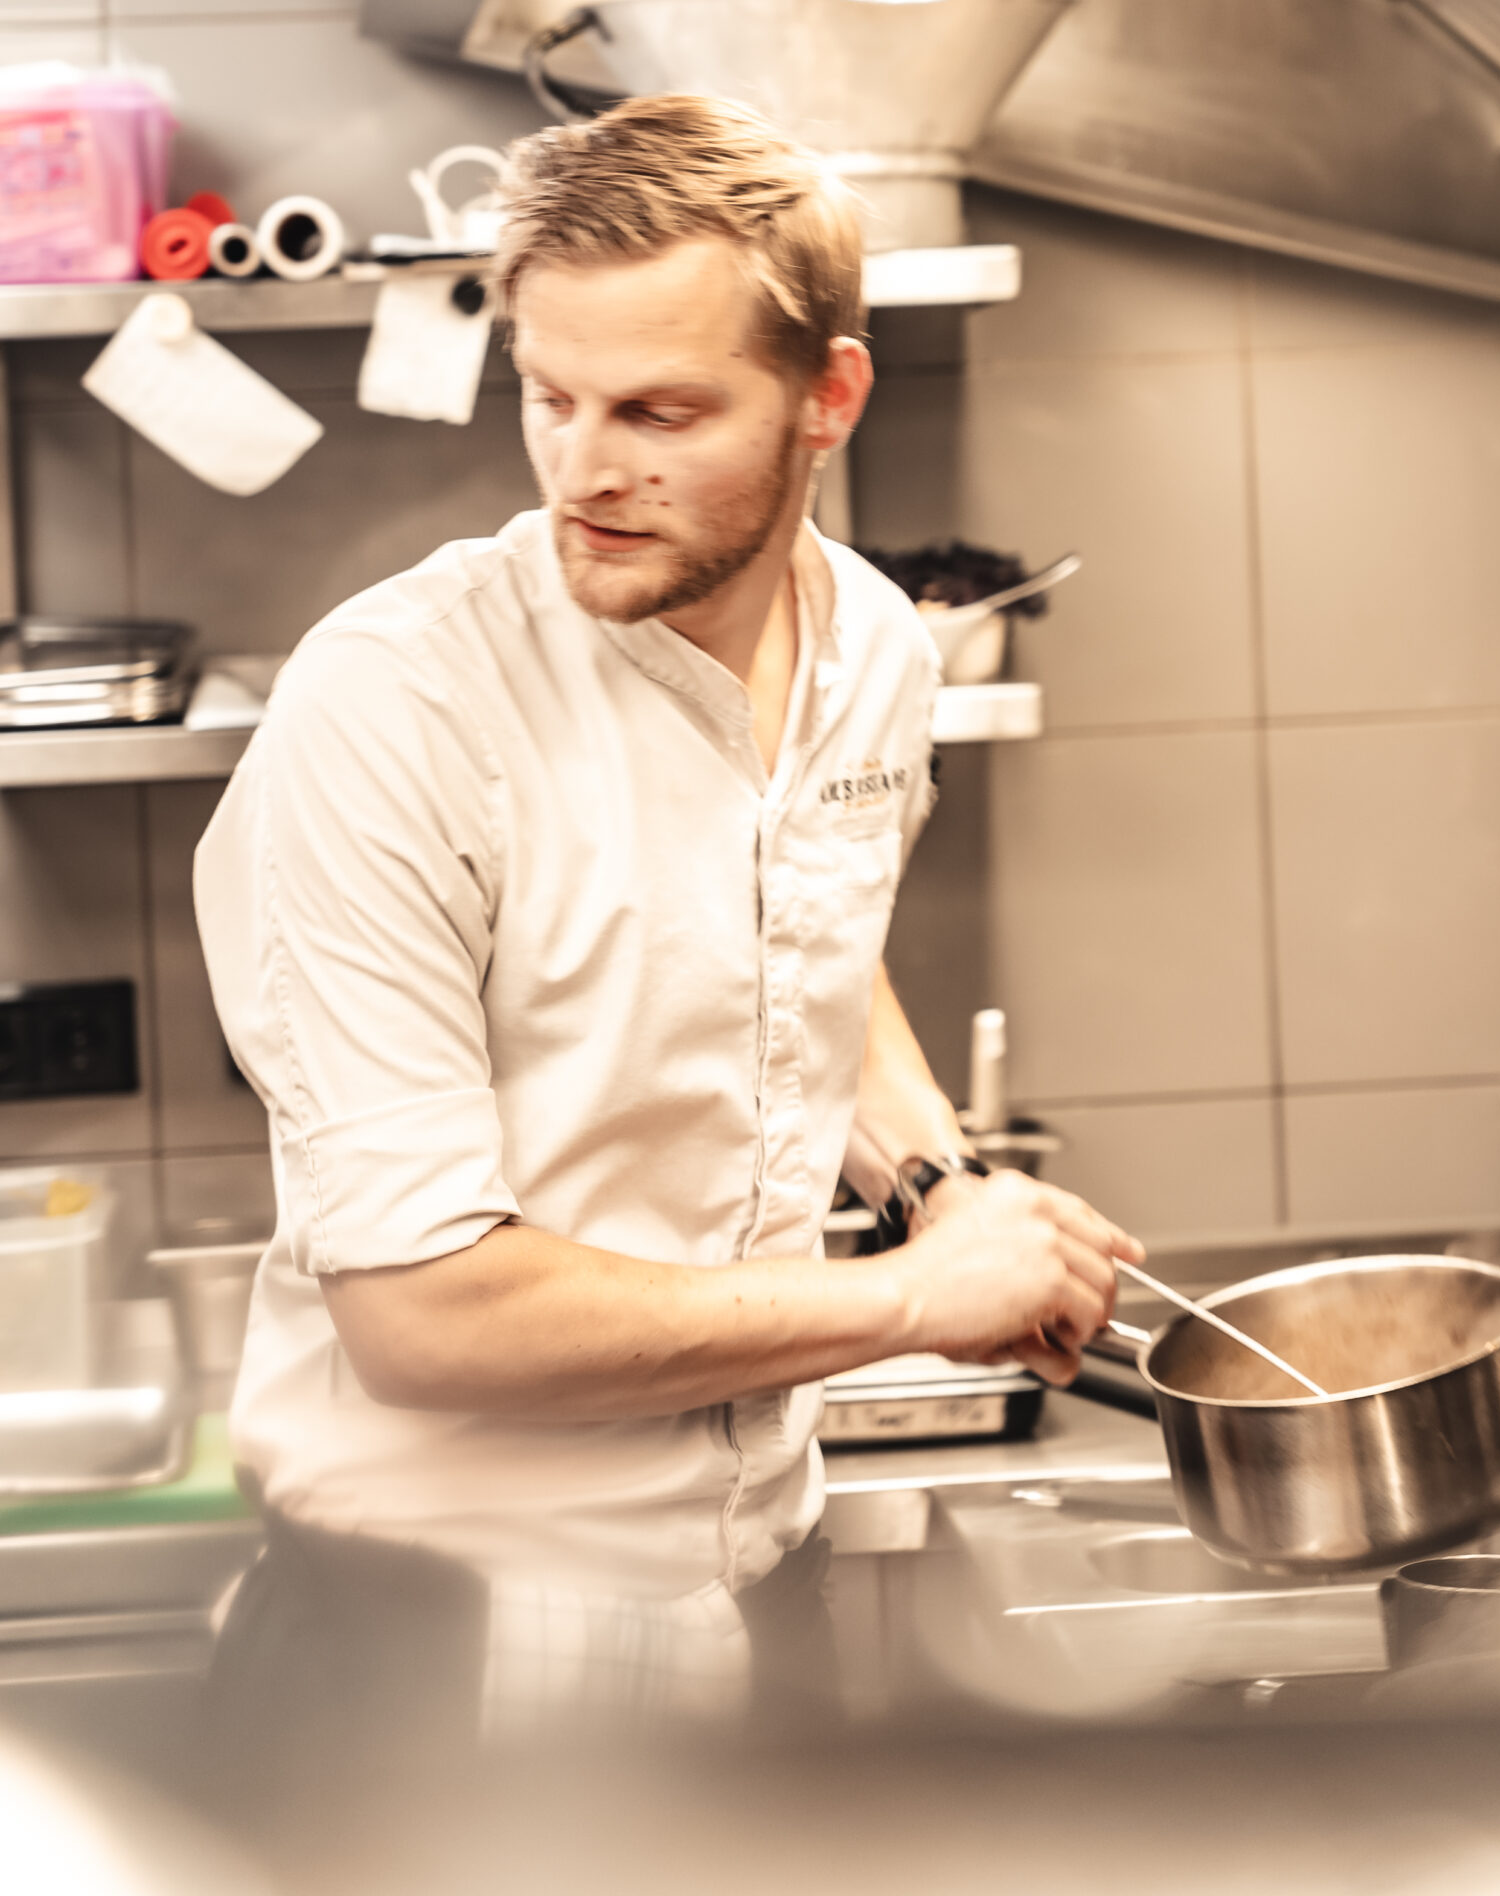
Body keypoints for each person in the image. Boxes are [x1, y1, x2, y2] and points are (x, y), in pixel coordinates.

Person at [194, 94, 1140, 1754]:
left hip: (758, 1571)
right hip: (441, 1644)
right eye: (550, 399)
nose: (586, 470)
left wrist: (935, 1178)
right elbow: (424, 1317)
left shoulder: (876, 655)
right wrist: (920, 1297)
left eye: (659, 410)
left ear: (825, 398)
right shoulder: (395, 711)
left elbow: (800, 940)